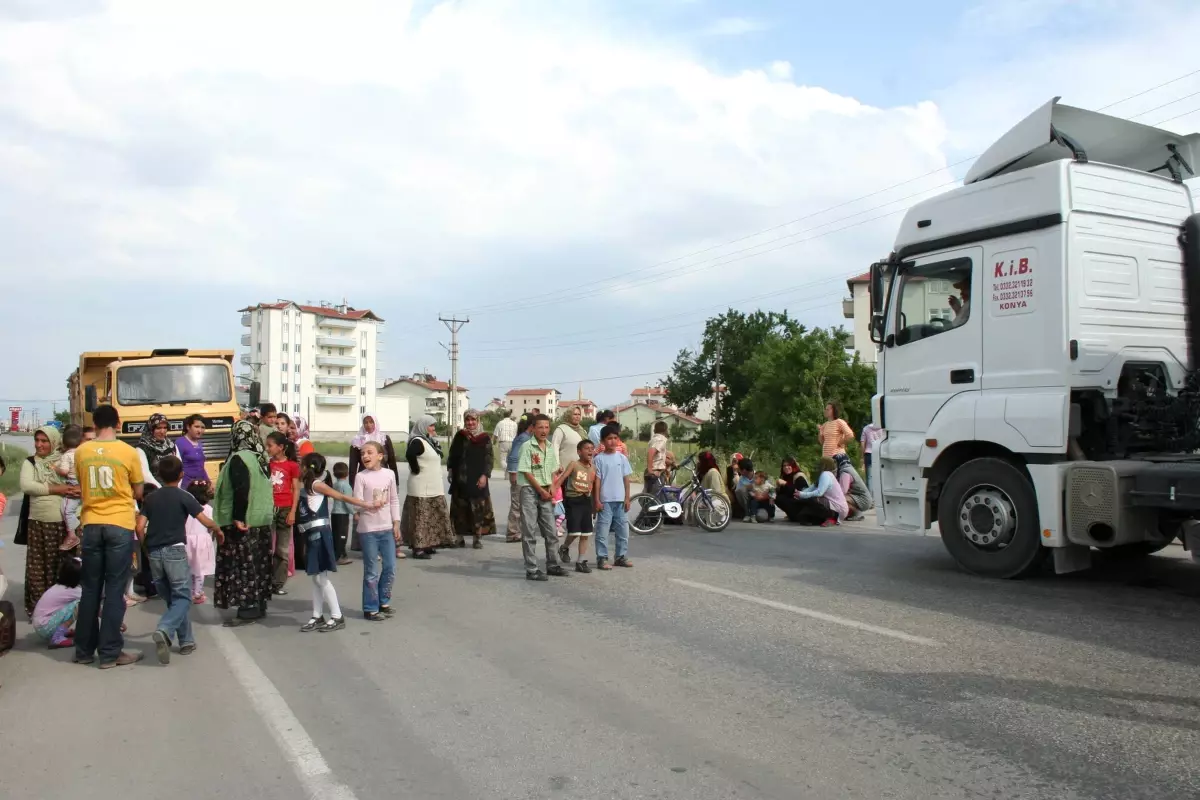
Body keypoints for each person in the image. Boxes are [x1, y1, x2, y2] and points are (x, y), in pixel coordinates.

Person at [74, 404, 144, 669]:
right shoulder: (128, 452)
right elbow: (138, 491)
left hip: (91, 524)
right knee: (115, 590)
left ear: (94, 423)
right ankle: (110, 653)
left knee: (90, 589)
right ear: (118, 423)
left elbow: (82, 485)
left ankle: (83, 651)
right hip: (119, 524)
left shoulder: (82, 451)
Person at [136, 455, 221, 664]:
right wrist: (218, 530)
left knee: (173, 600)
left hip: (155, 552)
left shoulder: (151, 498)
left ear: (160, 476)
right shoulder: (184, 496)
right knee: (183, 598)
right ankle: (165, 629)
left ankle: (186, 641)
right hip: (175, 550)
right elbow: (204, 520)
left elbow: (139, 527)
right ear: (181, 474)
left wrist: (146, 549)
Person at [299, 452, 377, 632]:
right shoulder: (308, 484)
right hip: (311, 533)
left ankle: (337, 616)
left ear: (307, 467)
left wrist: (365, 504)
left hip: (319, 534)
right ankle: (317, 615)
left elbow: (341, 497)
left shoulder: (317, 485)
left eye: (301, 465)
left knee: (321, 578)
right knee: (316, 578)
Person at [212, 420, 276, 627]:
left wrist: (238, 517)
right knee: (259, 564)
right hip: (261, 521)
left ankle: (248, 609)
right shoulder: (260, 458)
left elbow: (242, 489)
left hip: (244, 521)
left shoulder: (239, 458)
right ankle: (259, 604)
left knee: (242, 566)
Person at [19, 424, 79, 619]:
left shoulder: (63, 461)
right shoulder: (30, 462)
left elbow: (77, 482)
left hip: (62, 524)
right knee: (37, 568)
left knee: (60, 567)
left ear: (54, 442)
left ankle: (60, 610)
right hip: (38, 522)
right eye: (37, 440)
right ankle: (38, 610)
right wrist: (58, 489)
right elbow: (27, 486)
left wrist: (72, 489)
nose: (39, 445)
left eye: (44, 441)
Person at [353, 441, 401, 621]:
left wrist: (396, 522)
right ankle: (370, 608)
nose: (365, 456)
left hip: (387, 527)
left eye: (370, 452)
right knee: (372, 570)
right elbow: (356, 502)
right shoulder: (361, 477)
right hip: (368, 530)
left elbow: (394, 500)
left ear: (380, 456)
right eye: (363, 453)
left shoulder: (389, 474)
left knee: (390, 567)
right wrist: (369, 505)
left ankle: (383, 601)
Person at [518, 414, 566, 581]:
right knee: (529, 531)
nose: (544, 430)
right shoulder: (527, 446)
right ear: (533, 428)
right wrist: (540, 490)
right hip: (530, 490)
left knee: (551, 531)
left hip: (546, 490)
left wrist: (552, 487)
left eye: (546, 427)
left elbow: (553, 469)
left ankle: (552, 564)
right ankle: (531, 569)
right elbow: (526, 471)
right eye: (540, 427)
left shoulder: (550, 446)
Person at [402, 415, 456, 559]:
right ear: (422, 426)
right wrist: (416, 469)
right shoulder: (417, 441)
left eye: (433, 426)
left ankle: (428, 544)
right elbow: (410, 455)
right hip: (421, 486)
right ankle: (418, 548)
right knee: (420, 518)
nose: (433, 429)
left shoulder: (429, 442)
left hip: (433, 486)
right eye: (430, 426)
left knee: (431, 517)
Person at [447, 410, 496, 549]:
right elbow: (453, 454)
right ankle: (459, 538)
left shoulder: (484, 437)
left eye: (473, 420)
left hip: (477, 478)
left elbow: (489, 458)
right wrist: (450, 470)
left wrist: (485, 475)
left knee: (478, 509)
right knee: (459, 509)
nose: (470, 423)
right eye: (468, 420)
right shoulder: (460, 436)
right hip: (460, 478)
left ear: (478, 421)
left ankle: (477, 538)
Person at [553, 439, 597, 573]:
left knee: (586, 533)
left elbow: (594, 487)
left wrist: (595, 505)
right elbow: (562, 478)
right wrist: (553, 492)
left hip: (586, 501)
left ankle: (581, 561)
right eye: (586, 448)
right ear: (579, 451)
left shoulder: (593, 469)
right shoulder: (574, 464)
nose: (590, 450)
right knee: (574, 531)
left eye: (591, 448)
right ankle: (564, 547)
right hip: (573, 500)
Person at [593, 428, 633, 570]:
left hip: (620, 501)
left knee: (623, 531)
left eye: (616, 438)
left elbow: (626, 480)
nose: (613, 441)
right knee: (602, 532)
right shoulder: (598, 459)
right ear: (603, 441)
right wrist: (597, 500)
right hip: (605, 501)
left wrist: (627, 498)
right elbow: (597, 482)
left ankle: (620, 556)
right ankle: (602, 558)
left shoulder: (622, 458)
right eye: (609, 438)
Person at [266, 431, 300, 595]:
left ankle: (277, 583)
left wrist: (293, 511)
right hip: (268, 508)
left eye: (270, 445)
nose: (267, 449)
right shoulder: (266, 464)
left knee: (282, 549)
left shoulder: (292, 466)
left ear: (281, 447)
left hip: (285, 509)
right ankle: (264, 580)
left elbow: (296, 489)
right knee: (266, 547)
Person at [32, 557, 82, 649]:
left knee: (74, 605)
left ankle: (60, 630)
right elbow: (93, 601)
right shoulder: (74, 591)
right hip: (45, 627)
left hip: (41, 625)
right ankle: (57, 637)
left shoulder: (60, 586)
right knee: (80, 605)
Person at [347, 412, 400, 489]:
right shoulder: (357, 441)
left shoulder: (384, 438)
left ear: (375, 422)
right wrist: (352, 486)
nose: (368, 425)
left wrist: (396, 482)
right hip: (365, 478)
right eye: (366, 422)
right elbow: (353, 466)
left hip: (383, 476)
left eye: (371, 422)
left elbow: (392, 461)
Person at [184, 481, 217, 603]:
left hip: (187, 540)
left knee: (189, 567)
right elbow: (211, 526)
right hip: (202, 541)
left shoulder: (186, 508)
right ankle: (197, 593)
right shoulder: (208, 509)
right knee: (200, 569)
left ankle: (190, 591)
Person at [793, 457, 849, 526]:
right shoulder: (824, 475)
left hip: (838, 508)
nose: (818, 466)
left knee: (813, 500)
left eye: (820, 464)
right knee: (803, 515)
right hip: (831, 505)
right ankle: (822, 518)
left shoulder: (826, 475)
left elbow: (819, 493)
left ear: (824, 465)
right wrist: (799, 493)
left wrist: (802, 495)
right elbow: (812, 488)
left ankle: (833, 517)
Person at [54, 424, 84, 552]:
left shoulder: (66, 455)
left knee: (66, 509)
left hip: (71, 484)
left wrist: (56, 469)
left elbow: (65, 471)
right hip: (83, 483)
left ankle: (72, 534)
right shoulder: (82, 453)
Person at [504, 415, 533, 542]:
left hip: (523, 476)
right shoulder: (524, 438)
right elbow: (513, 456)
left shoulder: (524, 437)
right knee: (517, 505)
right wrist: (513, 473)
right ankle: (513, 533)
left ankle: (517, 530)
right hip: (519, 476)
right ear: (532, 426)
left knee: (521, 504)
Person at [330, 462, 355, 565]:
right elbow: (348, 502)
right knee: (342, 536)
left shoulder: (335, 485)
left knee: (336, 535)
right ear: (347, 473)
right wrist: (354, 512)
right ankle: (340, 556)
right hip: (342, 514)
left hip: (334, 513)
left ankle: (337, 554)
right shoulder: (346, 486)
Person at [176, 414, 210, 489]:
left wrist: (208, 482)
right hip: (186, 487)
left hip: (199, 486)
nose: (200, 430)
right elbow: (176, 467)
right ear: (188, 427)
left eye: (202, 427)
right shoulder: (180, 443)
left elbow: (200, 467)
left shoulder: (199, 444)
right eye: (196, 427)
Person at [551, 406, 586, 477]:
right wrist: (557, 466)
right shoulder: (561, 429)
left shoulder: (582, 431)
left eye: (579, 414)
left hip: (579, 473)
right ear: (569, 415)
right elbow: (554, 448)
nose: (577, 416)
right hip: (563, 471)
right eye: (575, 414)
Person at [774, 457, 811, 522]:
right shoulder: (785, 476)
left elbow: (799, 493)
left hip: (802, 503)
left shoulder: (799, 476)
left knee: (781, 498)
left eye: (789, 465)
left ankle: (797, 516)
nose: (786, 467)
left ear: (793, 466)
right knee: (778, 498)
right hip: (793, 502)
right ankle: (792, 515)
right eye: (784, 466)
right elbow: (783, 493)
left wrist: (785, 484)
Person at [645, 420, 670, 496]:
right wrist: (650, 470)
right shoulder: (661, 440)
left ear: (655, 430)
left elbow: (658, 456)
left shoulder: (653, 439)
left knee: (651, 495)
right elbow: (651, 452)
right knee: (656, 496)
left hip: (655, 470)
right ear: (665, 430)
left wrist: (671, 463)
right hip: (656, 471)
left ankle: (646, 507)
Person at [492, 409, 518, 475]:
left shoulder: (500, 423)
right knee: (510, 460)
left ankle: (508, 469)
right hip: (513, 442)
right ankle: (508, 474)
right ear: (509, 415)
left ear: (503, 415)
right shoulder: (514, 423)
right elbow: (517, 434)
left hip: (503, 442)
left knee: (503, 460)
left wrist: (494, 442)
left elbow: (495, 434)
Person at [860, 421, 883, 492]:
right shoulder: (883, 428)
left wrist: (862, 456)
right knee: (881, 475)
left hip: (869, 453)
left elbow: (862, 443)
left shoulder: (866, 428)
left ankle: (870, 497)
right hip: (880, 453)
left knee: (870, 477)